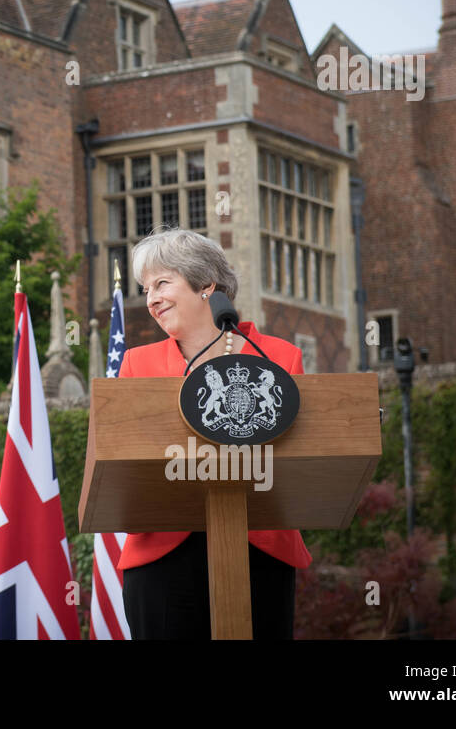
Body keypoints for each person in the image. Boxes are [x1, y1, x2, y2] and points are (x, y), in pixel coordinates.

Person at [116, 225, 310, 639]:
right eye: (145, 288)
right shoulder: (137, 363)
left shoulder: (279, 357)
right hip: (162, 554)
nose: (150, 299)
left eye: (162, 283)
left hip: (259, 546)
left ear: (206, 284)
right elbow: (122, 457)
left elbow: (301, 453)